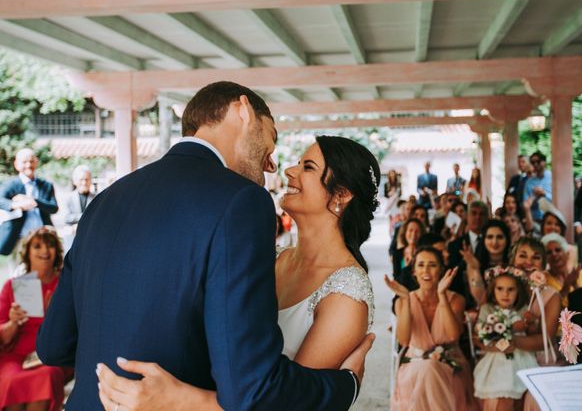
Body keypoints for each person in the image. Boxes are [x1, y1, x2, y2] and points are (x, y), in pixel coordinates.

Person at [37, 82, 373, 410]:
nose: (273, 165)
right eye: (270, 141)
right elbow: (250, 386)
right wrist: (347, 385)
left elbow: (53, 346)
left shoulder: (105, 200)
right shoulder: (241, 201)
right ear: (243, 112)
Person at [386, 248, 478, 411]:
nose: (426, 271)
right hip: (413, 369)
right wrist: (406, 300)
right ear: (414, 271)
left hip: (451, 367)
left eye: (432, 265)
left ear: (441, 270)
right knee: (426, 370)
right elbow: (404, 340)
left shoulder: (456, 299)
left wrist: (442, 296)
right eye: (421, 265)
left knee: (429, 370)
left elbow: (452, 335)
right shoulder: (402, 301)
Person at [0, 227, 70, 411]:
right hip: (15, 356)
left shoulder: (65, 286)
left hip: (50, 355)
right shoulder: (12, 286)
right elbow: (4, 338)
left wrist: (53, 317)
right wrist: (13, 322)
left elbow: (75, 332)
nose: (45, 251)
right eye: (37, 246)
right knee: (10, 381)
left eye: (50, 245)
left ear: (57, 251)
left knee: (45, 376)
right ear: (27, 252)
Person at [473, 266, 538, 410]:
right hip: (497, 359)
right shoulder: (487, 310)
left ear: (518, 291)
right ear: (493, 290)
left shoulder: (523, 310)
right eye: (500, 289)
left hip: (522, 358)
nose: (505, 294)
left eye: (511, 289)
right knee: (503, 393)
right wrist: (508, 336)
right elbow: (482, 338)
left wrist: (531, 322)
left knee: (523, 396)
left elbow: (533, 334)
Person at [0, 149, 58, 257]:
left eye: (31, 161)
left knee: (43, 272)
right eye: (24, 162)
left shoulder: (46, 185)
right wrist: (16, 205)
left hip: (43, 237)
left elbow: (54, 208)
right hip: (19, 238)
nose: (28, 165)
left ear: (36, 163)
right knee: (20, 273)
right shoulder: (10, 184)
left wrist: (34, 201)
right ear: (16, 165)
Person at [461, 219, 512, 307]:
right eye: (490, 237)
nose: (494, 242)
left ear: (507, 240)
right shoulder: (473, 264)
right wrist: (475, 269)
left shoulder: (513, 263)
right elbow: (480, 299)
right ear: (483, 240)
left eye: (499, 237)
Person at [542, 233, 582, 307]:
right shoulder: (543, 279)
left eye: (558, 250)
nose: (554, 254)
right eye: (549, 252)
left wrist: (575, 285)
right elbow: (547, 308)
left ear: (567, 254)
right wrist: (566, 288)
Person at [522, 151, 552, 223]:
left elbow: (560, 199)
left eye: (538, 161)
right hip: (535, 219)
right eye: (533, 162)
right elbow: (525, 204)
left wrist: (544, 194)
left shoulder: (553, 178)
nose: (535, 164)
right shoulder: (529, 182)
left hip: (551, 217)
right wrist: (534, 195)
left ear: (544, 162)